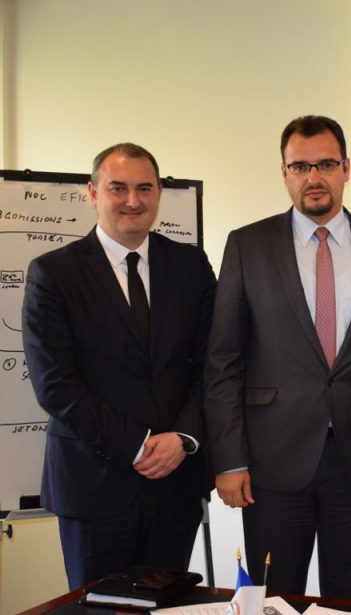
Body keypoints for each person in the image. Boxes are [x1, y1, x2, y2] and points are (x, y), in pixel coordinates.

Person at [204, 115, 351, 599]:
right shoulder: (247, 245)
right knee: (274, 597)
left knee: (350, 596)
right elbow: (222, 362)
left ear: (346, 168)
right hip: (271, 462)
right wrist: (229, 459)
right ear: (284, 173)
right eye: (300, 166)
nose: (313, 177)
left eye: (324, 164)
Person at [22, 143, 215, 589]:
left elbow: (213, 364)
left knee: (167, 606)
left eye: (145, 188)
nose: (133, 200)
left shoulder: (191, 265)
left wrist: (183, 439)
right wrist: (140, 445)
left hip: (176, 485)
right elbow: (56, 385)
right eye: (118, 188)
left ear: (158, 194)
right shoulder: (53, 273)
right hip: (94, 487)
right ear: (92, 193)